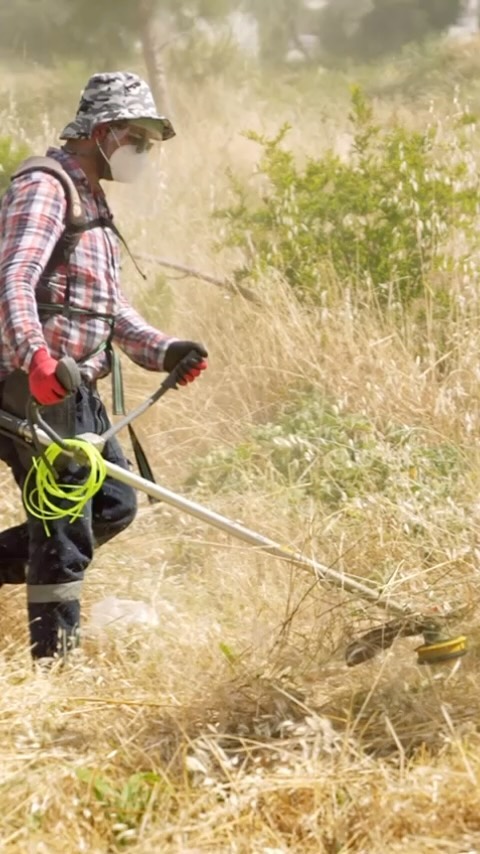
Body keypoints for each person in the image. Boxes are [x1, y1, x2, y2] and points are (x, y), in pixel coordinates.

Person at [0, 71, 208, 662]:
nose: (144, 153)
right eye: (138, 139)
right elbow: (13, 278)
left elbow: (103, 303)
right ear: (103, 131)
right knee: (63, 525)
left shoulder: (90, 195)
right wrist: (35, 358)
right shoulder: (46, 186)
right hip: (38, 382)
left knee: (113, 505)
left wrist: (160, 349)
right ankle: (55, 670)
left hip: (75, 383)